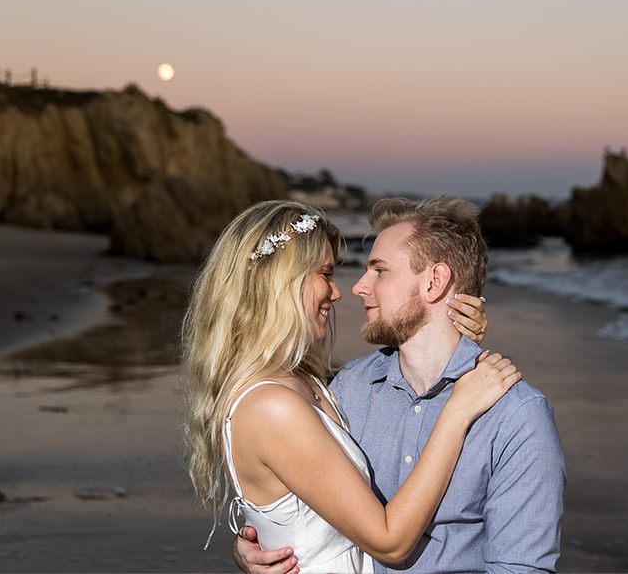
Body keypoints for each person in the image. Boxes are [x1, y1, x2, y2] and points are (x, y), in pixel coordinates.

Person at [183, 200, 519, 574]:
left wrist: (453, 340)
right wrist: (457, 412)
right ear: (279, 281)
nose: (339, 291)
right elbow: (389, 543)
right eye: (325, 274)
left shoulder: (310, 381)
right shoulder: (271, 406)